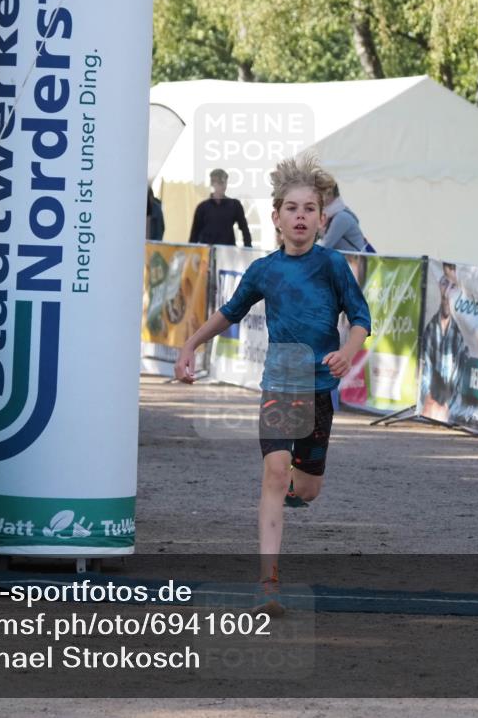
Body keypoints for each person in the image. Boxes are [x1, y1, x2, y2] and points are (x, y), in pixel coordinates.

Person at [174, 154, 370, 615]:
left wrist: (349, 350)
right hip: (281, 384)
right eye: (292, 208)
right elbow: (230, 312)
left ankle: (288, 494)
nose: (300, 216)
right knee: (275, 471)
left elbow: (360, 319)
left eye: (309, 209)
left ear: (323, 219)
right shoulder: (264, 270)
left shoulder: (333, 266)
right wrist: (191, 344)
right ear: (277, 217)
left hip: (319, 389)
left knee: (307, 490)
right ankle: (269, 584)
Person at [419, 262, 468, 422]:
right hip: (430, 409)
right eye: (444, 283)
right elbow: (424, 371)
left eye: (453, 286)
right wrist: (427, 399)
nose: (446, 292)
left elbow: (461, 383)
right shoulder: (431, 328)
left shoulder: (462, 335)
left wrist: (449, 407)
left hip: (450, 413)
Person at [189, 168, 252, 247]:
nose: (221, 186)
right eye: (218, 182)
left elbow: (244, 229)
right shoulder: (202, 207)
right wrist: (191, 252)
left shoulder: (235, 205)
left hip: (228, 253)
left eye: (223, 182)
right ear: (212, 183)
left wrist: (248, 250)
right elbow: (194, 234)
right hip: (207, 253)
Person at [318, 183, 374, 253]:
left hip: (361, 261)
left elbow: (325, 246)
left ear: (330, 194)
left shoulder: (341, 217)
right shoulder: (329, 215)